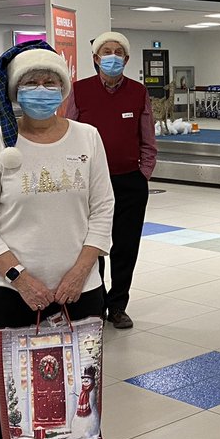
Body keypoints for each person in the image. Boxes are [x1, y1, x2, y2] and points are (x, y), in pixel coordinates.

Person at [0, 41, 115, 439]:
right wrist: (21, 278)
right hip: (10, 293)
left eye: (51, 82)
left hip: (82, 286)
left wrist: (79, 272)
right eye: (31, 83)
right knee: (7, 392)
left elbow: (102, 210)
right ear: (13, 92)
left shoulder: (87, 138)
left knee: (81, 387)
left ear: (65, 89)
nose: (42, 91)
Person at [65, 32, 157, 330]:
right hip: (90, 185)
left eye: (119, 52)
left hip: (130, 182)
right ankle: (95, 301)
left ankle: (118, 305)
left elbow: (147, 138)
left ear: (127, 60)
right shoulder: (79, 91)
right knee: (93, 245)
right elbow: (68, 134)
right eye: (107, 51)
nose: (113, 56)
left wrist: (143, 173)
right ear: (95, 58)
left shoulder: (138, 92)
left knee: (125, 246)